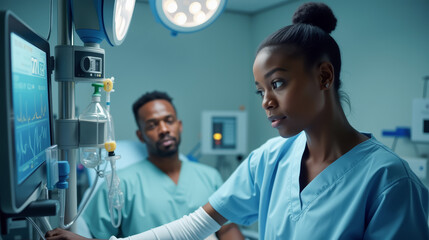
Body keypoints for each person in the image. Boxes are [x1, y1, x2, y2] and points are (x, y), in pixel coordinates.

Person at [47, 2, 429, 240]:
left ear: (324, 77)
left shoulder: (389, 183)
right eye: (260, 89)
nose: (267, 101)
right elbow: (196, 226)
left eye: (277, 83)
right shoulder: (271, 159)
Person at [46, 91, 243, 240]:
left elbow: (227, 227)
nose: (164, 129)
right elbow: (95, 235)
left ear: (179, 125)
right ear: (140, 135)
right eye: (152, 124)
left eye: (169, 120)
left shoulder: (210, 176)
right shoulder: (119, 183)